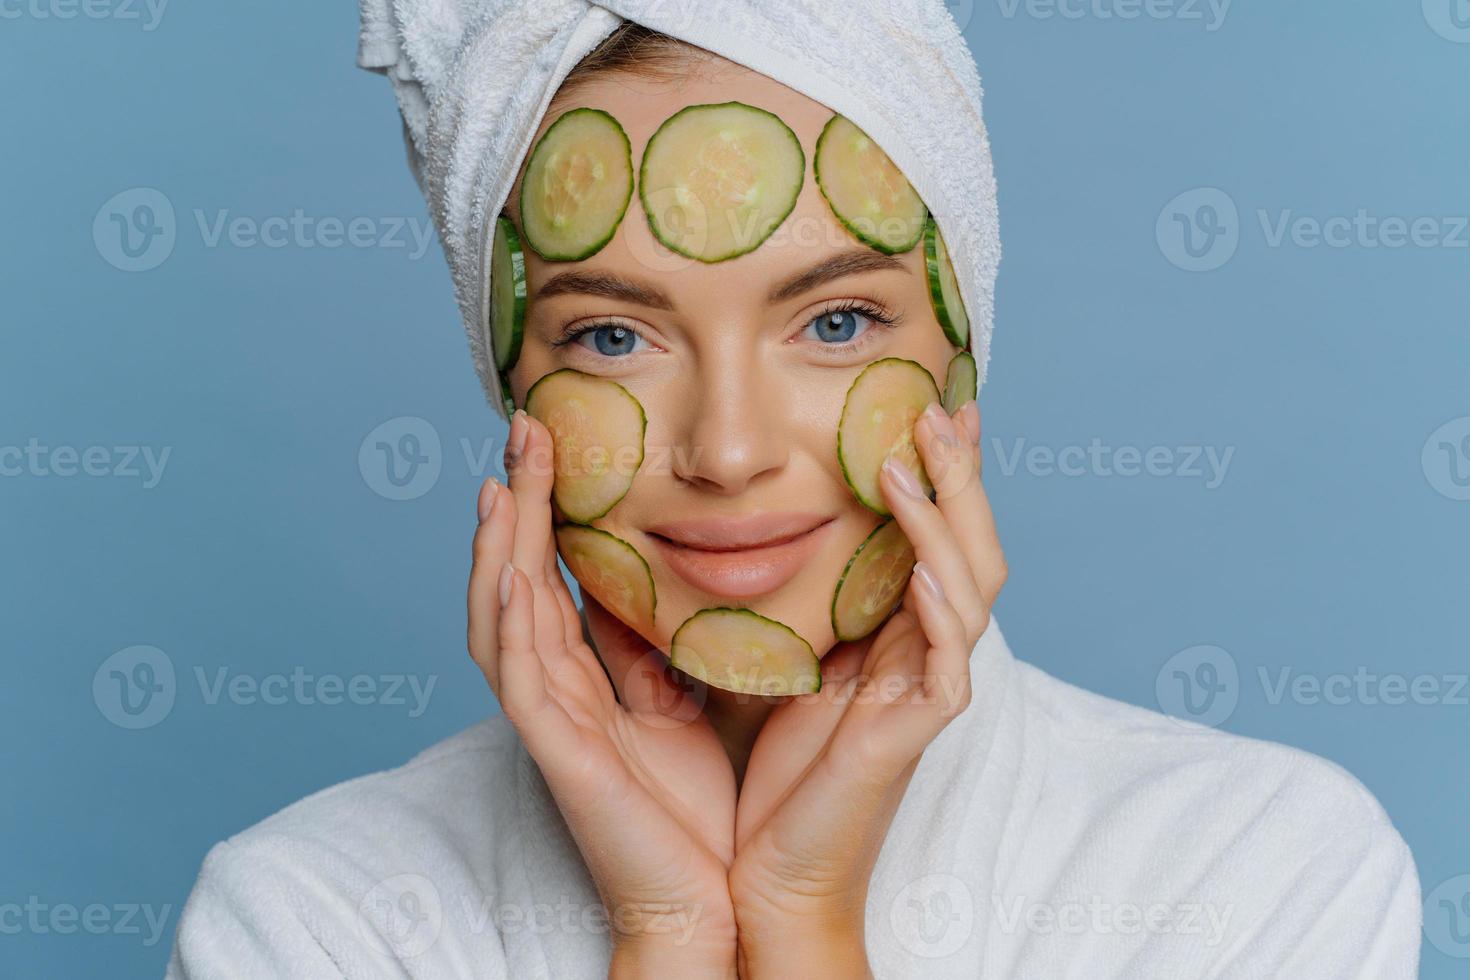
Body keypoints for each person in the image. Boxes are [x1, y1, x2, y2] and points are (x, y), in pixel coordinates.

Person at [166, 13, 1422, 980]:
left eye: (833, 320)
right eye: (612, 335)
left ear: (963, 351)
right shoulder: (313, 915)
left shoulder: (1254, 863)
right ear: (511, 390)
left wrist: (802, 922)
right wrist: (666, 935)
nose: (727, 450)